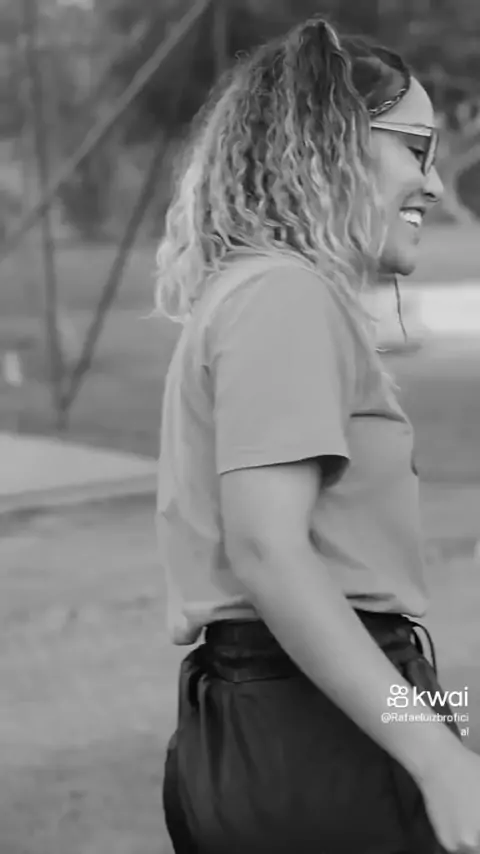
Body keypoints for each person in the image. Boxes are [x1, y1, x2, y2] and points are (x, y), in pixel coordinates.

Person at [155, 16, 480, 854]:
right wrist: (438, 761)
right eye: (415, 147)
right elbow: (267, 549)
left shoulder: (260, 293)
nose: (431, 183)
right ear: (333, 142)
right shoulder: (283, 295)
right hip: (306, 716)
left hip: (296, 702)